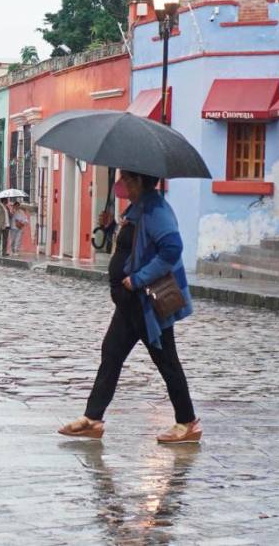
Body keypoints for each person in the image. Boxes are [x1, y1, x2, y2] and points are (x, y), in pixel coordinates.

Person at [59, 170, 200, 444]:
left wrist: (137, 279)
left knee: (166, 360)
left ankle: (187, 422)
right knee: (111, 353)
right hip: (129, 303)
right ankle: (92, 418)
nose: (121, 182)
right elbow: (133, 245)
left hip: (144, 302)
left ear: (138, 181)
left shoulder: (157, 210)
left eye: (125, 177)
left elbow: (171, 249)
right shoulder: (139, 207)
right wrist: (112, 227)